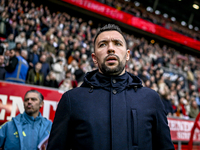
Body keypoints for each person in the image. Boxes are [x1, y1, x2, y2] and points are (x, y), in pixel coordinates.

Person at [47, 24, 174, 150]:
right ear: (94, 58)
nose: (111, 49)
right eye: (103, 44)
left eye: (117, 43)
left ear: (128, 55)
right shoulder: (71, 99)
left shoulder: (151, 99)